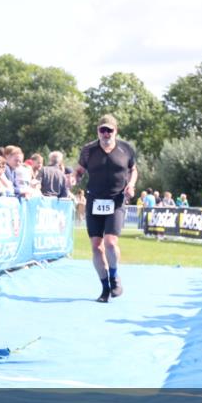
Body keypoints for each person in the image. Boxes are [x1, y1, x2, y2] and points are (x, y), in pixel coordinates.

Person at [74, 114, 137, 303]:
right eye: (103, 130)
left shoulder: (126, 148)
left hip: (116, 200)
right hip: (94, 201)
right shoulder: (88, 150)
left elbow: (133, 169)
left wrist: (131, 185)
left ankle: (114, 276)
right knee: (96, 247)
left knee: (110, 242)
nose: (106, 133)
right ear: (98, 131)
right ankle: (105, 288)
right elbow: (79, 170)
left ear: (116, 131)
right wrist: (74, 177)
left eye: (109, 130)